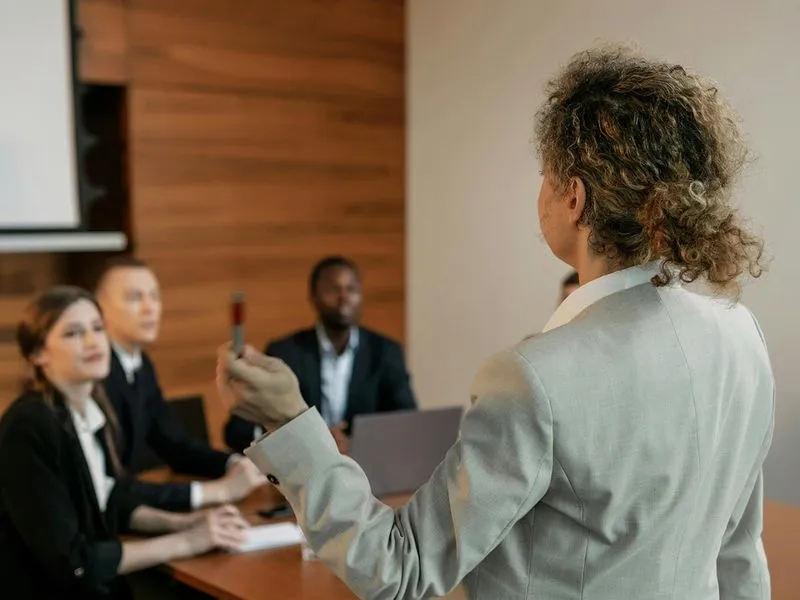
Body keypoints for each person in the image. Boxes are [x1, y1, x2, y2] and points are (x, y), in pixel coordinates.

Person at [217, 46, 774, 600]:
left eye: (545, 175)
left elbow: (401, 569)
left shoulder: (537, 377)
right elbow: (740, 553)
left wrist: (289, 421)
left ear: (574, 197)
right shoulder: (741, 335)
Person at [0, 286, 248, 599]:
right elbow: (73, 562)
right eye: (74, 333)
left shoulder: (90, 410)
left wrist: (185, 524)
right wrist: (185, 542)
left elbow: (111, 501)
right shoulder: (29, 425)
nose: (93, 342)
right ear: (38, 354)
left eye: (98, 328)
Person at [96, 257, 264, 512]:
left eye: (154, 296)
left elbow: (174, 444)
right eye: (134, 298)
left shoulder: (139, 363)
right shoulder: (93, 376)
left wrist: (233, 463)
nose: (149, 307)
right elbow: (108, 484)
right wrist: (216, 491)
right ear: (99, 309)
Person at [223, 255, 417, 454]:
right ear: (314, 298)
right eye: (334, 289)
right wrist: (312, 440)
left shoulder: (385, 352)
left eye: (351, 289)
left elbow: (408, 424)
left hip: (367, 470)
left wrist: (357, 443)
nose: (344, 297)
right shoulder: (285, 352)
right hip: (302, 467)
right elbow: (238, 432)